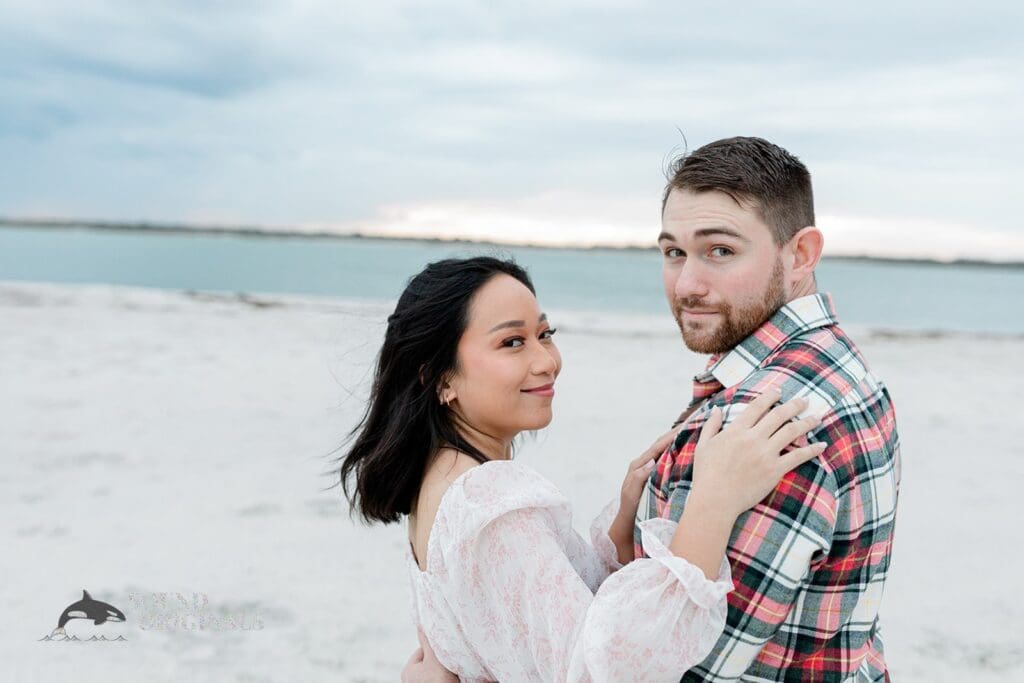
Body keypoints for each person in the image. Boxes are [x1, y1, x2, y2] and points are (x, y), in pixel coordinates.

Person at [339, 256, 825, 682]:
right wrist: (713, 504)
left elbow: (532, 621)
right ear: (441, 378)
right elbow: (600, 670)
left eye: (544, 334)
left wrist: (619, 530)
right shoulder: (489, 501)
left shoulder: (440, 482)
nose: (547, 360)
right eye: (512, 342)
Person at [647, 136, 900, 681]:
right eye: (674, 252)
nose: (687, 285)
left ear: (800, 254)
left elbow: (688, 667)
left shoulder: (753, 425)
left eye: (721, 251)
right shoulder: (845, 366)